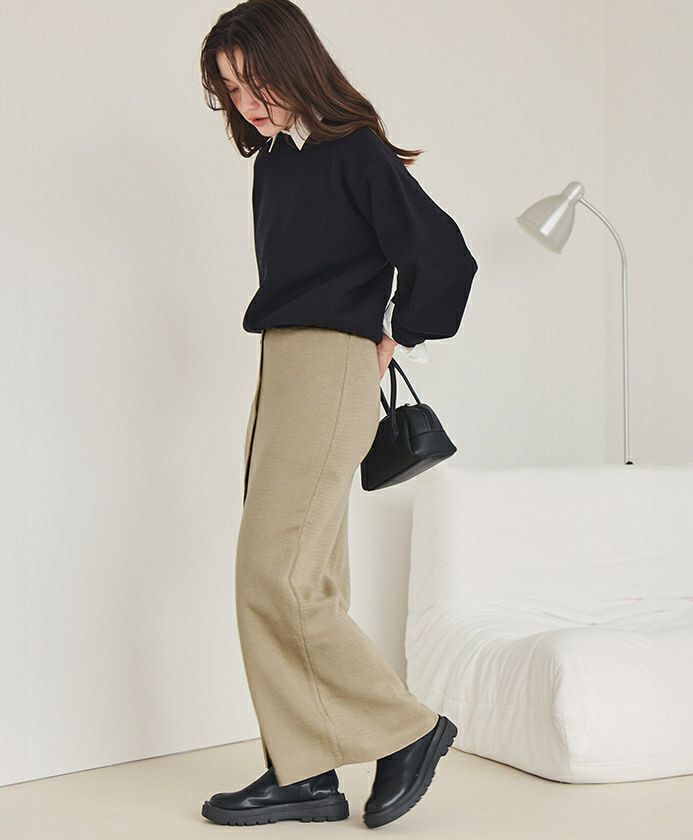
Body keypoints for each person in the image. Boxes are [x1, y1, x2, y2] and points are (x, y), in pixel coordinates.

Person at [198, 0, 478, 829]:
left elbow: (444, 255)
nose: (247, 102)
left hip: (328, 366)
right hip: (282, 365)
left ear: (295, 64)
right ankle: (306, 771)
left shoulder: (353, 151)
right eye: (229, 90)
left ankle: (408, 729)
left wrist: (399, 336)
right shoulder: (276, 163)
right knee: (307, 576)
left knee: (271, 572)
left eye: (255, 81)